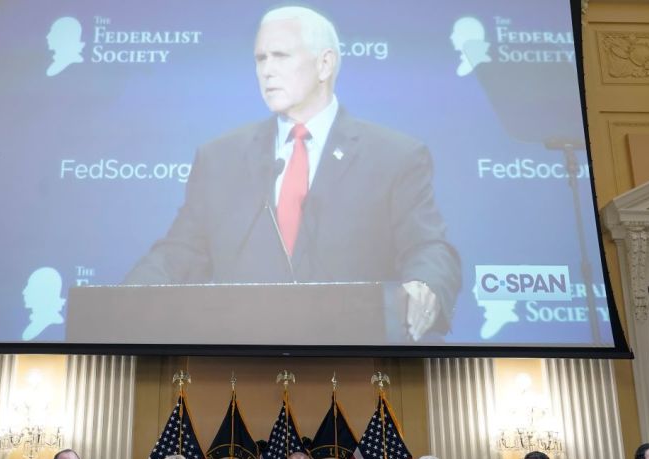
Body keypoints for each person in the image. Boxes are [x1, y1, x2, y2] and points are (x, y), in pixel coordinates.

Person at [124, 6, 460, 343]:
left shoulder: (394, 156)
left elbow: (429, 247)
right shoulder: (220, 158)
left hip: (357, 358)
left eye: (281, 56)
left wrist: (424, 285)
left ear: (324, 64)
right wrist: (125, 300)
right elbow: (181, 253)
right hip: (243, 361)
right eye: (260, 59)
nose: (267, 71)